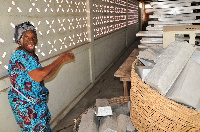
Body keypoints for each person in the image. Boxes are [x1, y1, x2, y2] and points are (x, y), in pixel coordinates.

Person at [8, 21, 75, 132]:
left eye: (34, 37)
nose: (31, 40)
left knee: (43, 128)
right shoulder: (20, 55)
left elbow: (46, 74)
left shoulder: (31, 55)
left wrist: (61, 61)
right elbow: (40, 75)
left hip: (35, 102)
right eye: (26, 37)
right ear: (19, 40)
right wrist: (61, 59)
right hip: (26, 105)